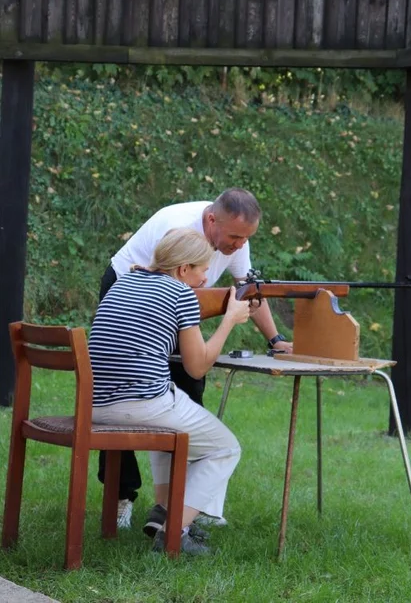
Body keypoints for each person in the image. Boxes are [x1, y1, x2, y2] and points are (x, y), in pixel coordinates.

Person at [96, 187, 293, 529]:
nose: (239, 246)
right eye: (234, 237)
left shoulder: (224, 244)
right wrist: (228, 319)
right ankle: (128, 501)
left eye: (246, 239)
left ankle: (178, 502)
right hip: (131, 289)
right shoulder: (175, 232)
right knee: (157, 400)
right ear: (211, 221)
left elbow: (248, 289)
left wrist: (275, 339)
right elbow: (197, 361)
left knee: (182, 399)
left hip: (97, 399)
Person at [89, 228, 250, 555]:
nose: (205, 279)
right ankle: (173, 531)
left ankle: (163, 511)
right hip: (140, 405)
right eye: (203, 270)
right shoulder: (181, 294)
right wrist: (229, 320)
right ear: (182, 270)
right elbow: (197, 367)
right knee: (226, 449)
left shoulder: (123, 283)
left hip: (96, 406)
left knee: (170, 428)